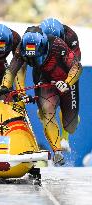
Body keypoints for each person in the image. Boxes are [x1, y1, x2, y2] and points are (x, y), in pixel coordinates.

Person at [0, 30, 82, 165]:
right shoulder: (22, 48)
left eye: (35, 56)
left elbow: (77, 67)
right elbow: (12, 70)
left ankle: (70, 120)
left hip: (66, 80)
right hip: (46, 79)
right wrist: (4, 86)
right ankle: (57, 152)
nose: (33, 60)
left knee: (70, 126)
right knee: (47, 110)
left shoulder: (57, 45)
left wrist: (67, 82)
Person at [39, 18, 81, 152]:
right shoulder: (36, 35)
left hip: (65, 72)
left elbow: (76, 63)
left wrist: (66, 81)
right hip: (46, 71)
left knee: (71, 121)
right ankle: (56, 148)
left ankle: (65, 139)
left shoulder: (70, 36)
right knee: (43, 112)